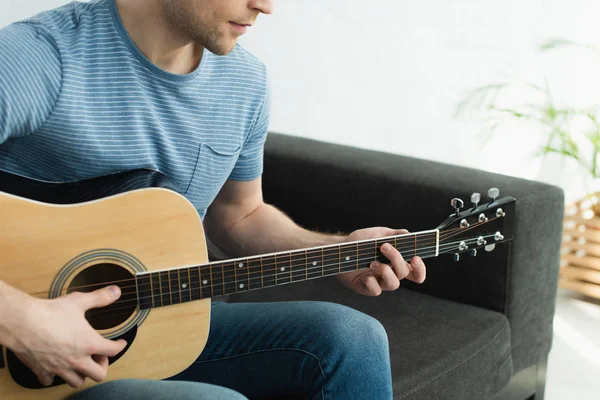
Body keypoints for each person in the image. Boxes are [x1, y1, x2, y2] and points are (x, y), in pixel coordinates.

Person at [0, 0, 427, 399]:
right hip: (21, 358)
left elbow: (239, 215)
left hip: (162, 322)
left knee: (351, 338)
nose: (266, 6)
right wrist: (24, 320)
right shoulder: (38, 56)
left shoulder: (245, 83)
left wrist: (337, 252)